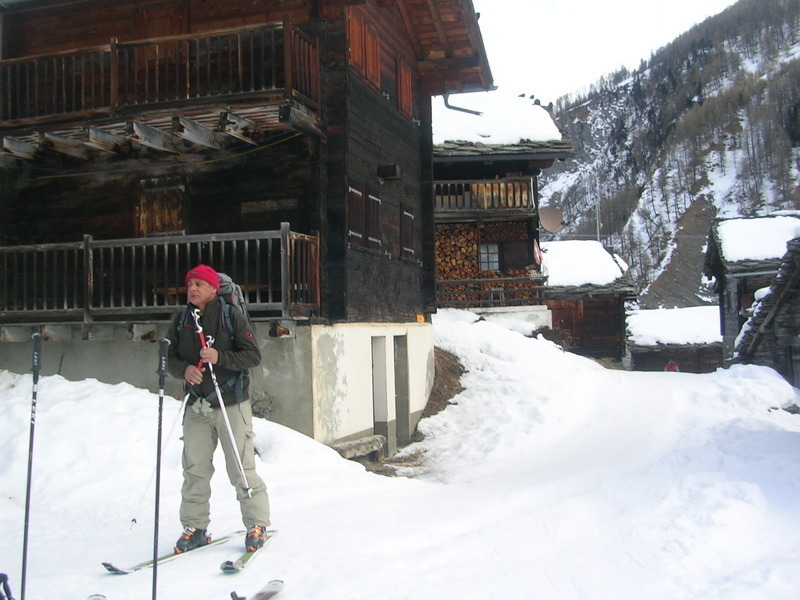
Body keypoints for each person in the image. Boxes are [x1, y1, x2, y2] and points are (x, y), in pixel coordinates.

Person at [165, 264, 270, 553]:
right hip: (196, 405)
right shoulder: (182, 320)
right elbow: (167, 357)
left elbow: (253, 356)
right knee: (194, 468)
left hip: (231, 402)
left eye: (199, 284)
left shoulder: (230, 317)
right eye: (190, 284)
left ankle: (256, 523)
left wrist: (220, 357)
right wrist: (184, 370)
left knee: (241, 467)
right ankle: (195, 527)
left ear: (213, 289)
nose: (192, 289)